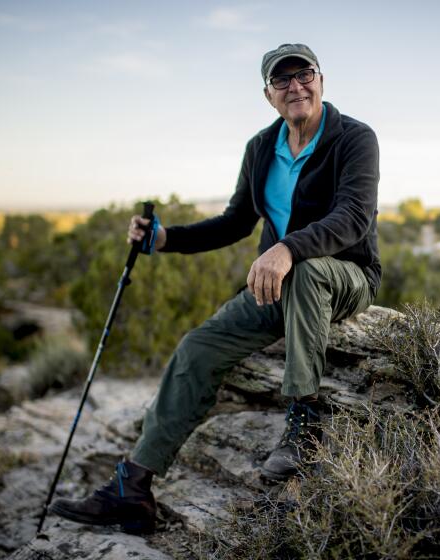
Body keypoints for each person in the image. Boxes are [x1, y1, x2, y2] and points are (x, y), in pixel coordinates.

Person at [48, 43, 380, 534]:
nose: (295, 86)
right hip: (280, 285)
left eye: (303, 74)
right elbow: (235, 223)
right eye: (282, 80)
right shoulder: (261, 149)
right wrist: (164, 239)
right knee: (197, 348)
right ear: (268, 95)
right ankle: (133, 487)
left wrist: (287, 248)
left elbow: (353, 218)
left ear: (321, 79)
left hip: (345, 276)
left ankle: (303, 422)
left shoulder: (354, 138)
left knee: (308, 270)